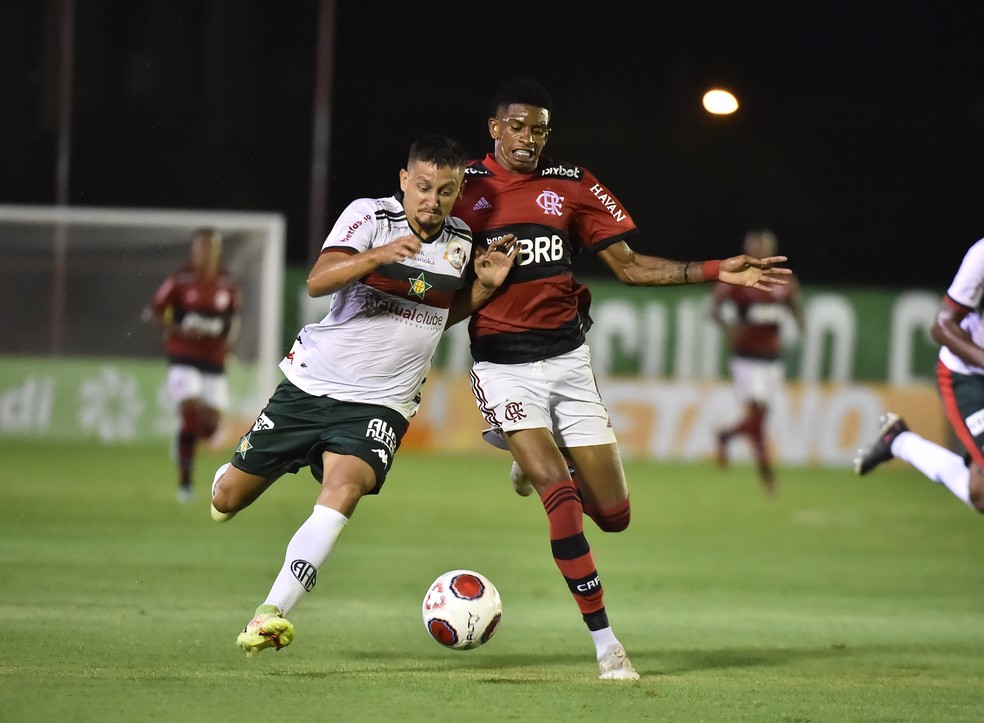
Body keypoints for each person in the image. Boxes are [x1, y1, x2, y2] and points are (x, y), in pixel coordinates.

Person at [453, 78, 793, 680]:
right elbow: (434, 265)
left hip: (568, 363)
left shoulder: (573, 185)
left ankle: (531, 461)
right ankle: (607, 646)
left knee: (613, 516)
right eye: (518, 126)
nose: (529, 138)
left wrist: (718, 270)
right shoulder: (467, 190)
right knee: (560, 497)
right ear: (494, 128)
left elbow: (631, 268)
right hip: (502, 367)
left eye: (539, 129)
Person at [209, 134, 517, 658]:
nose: (432, 200)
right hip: (310, 386)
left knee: (345, 487)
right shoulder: (370, 216)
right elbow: (317, 281)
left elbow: (437, 312)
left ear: (458, 190)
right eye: (423, 187)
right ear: (404, 181)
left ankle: (271, 612)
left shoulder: (462, 242)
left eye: (446, 190)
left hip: (383, 403)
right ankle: (240, 469)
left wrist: (484, 289)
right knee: (226, 501)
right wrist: (375, 256)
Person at [854, 239, 984, 514]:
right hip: (969, 377)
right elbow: (941, 325)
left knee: (980, 495)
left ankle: (899, 441)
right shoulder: (982, 255)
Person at [144, 228, 241, 503]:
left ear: (217, 251)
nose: (205, 252)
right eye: (201, 247)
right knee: (190, 408)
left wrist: (229, 341)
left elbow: (233, 319)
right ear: (194, 250)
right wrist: (178, 329)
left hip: (214, 359)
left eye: (210, 247)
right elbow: (151, 314)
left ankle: (184, 440)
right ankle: (185, 485)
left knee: (210, 427)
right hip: (183, 356)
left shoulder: (228, 282)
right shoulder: (181, 278)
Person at [711, 228, 804, 495]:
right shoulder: (738, 279)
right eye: (755, 247)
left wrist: (800, 323)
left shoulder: (783, 280)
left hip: (772, 361)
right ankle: (767, 475)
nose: (760, 252)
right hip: (746, 360)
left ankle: (726, 435)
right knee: (759, 416)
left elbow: (794, 306)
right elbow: (715, 310)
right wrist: (731, 331)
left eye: (763, 248)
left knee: (759, 418)